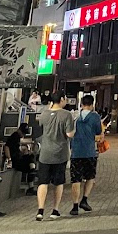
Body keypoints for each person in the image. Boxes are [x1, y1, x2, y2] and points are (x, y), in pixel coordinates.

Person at [36, 91, 75, 221]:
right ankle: (55, 210)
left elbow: (40, 129)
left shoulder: (44, 114)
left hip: (45, 153)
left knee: (43, 182)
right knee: (58, 182)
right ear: (62, 99)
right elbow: (69, 134)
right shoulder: (67, 115)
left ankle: (40, 210)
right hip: (60, 153)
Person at [69, 94, 103, 216]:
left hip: (76, 152)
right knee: (90, 177)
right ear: (92, 104)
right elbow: (99, 133)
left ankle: (74, 206)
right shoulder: (95, 117)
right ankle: (84, 199)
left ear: (81, 104)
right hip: (90, 151)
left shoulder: (75, 117)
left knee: (76, 179)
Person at [4, 122, 37, 195]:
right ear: (19, 130)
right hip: (14, 160)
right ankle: (31, 186)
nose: (24, 135)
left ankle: (32, 173)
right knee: (30, 160)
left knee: (30, 161)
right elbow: (6, 147)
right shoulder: (14, 136)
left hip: (17, 158)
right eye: (23, 133)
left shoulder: (17, 137)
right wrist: (9, 159)